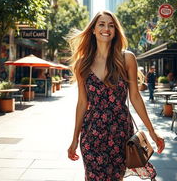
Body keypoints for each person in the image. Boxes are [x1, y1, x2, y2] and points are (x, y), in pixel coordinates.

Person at [67, 10, 164, 181]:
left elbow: (135, 97)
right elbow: (82, 103)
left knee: (115, 178)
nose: (106, 28)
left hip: (120, 131)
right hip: (92, 132)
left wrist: (152, 132)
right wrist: (74, 139)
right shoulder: (83, 63)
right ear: (93, 30)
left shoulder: (126, 58)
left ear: (115, 31)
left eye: (111, 25)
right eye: (102, 24)